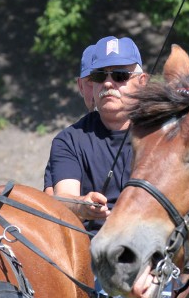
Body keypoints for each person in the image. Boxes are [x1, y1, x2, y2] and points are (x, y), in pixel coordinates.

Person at [45, 36, 149, 233]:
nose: (108, 84)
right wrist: (83, 204)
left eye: (119, 75)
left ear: (142, 82)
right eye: (100, 76)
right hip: (94, 249)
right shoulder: (69, 140)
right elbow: (62, 198)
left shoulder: (160, 132)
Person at [44, 44, 96, 196]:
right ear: (80, 86)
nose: (103, 88)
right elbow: (51, 201)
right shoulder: (67, 141)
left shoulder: (152, 134)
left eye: (118, 77)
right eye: (92, 81)